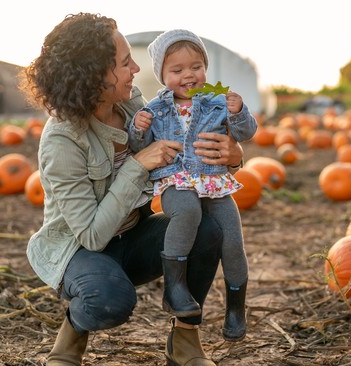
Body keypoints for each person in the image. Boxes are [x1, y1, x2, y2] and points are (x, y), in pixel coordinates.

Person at [20, 13, 244, 366]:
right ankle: (70, 337)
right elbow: (91, 236)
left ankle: (185, 342)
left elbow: (183, 150)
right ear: (94, 76)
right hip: (81, 251)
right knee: (109, 301)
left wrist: (233, 156)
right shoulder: (62, 139)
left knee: (208, 227)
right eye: (125, 63)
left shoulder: (131, 104)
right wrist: (139, 165)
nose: (136, 68)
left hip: (133, 236)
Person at [128, 29, 257, 342]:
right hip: (177, 183)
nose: (188, 75)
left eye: (196, 66)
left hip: (215, 181)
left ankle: (235, 308)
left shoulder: (217, 101)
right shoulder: (155, 110)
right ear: (162, 75)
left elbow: (246, 132)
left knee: (233, 242)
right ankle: (175, 288)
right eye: (177, 70)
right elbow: (137, 146)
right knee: (186, 213)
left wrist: (239, 112)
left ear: (205, 68)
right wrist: (138, 128)